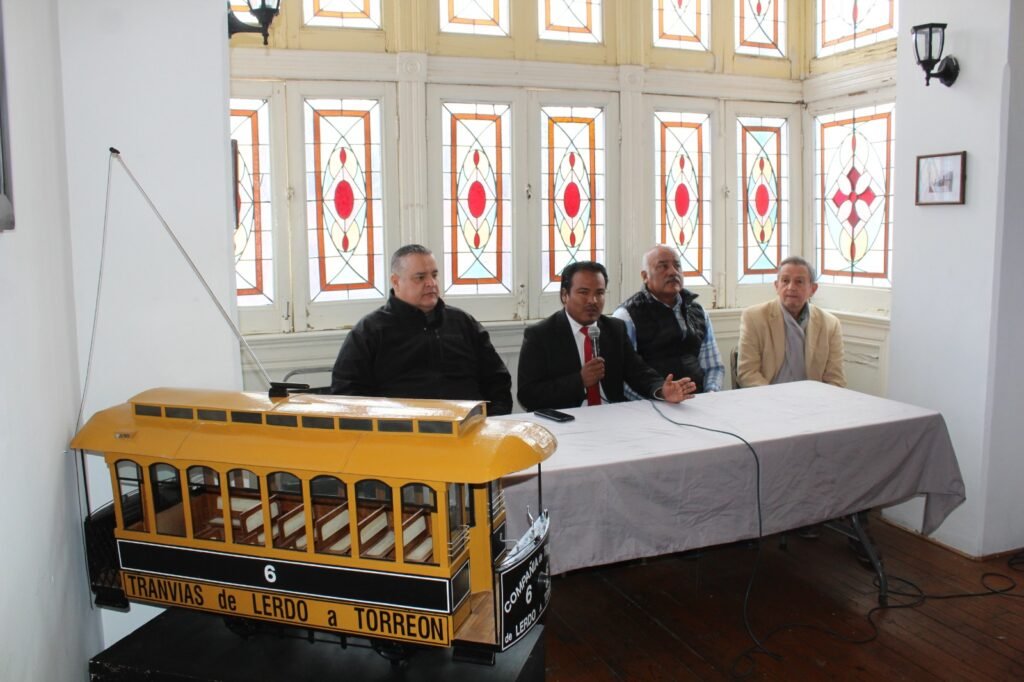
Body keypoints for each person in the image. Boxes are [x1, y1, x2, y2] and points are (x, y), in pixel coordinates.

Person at [330, 244, 513, 415]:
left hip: (471, 427)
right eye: (420, 277)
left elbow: (497, 381)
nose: (431, 283)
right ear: (396, 282)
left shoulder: (463, 323)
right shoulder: (369, 332)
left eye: (434, 275)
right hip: (401, 431)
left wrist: (492, 419)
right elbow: (347, 394)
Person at [517, 260, 697, 412]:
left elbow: (639, 373)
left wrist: (662, 390)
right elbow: (527, 395)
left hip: (611, 416)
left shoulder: (614, 329)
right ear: (565, 295)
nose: (592, 301)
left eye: (599, 293)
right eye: (583, 292)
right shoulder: (540, 335)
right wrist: (579, 381)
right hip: (566, 419)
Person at [612, 245, 724, 394]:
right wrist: (660, 398)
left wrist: (710, 395)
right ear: (645, 276)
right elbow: (623, 378)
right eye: (662, 266)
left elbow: (714, 367)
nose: (673, 272)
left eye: (677, 265)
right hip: (651, 401)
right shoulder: (626, 316)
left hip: (699, 400)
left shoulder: (697, 311)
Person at [737, 255, 846, 388]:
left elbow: (835, 379)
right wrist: (777, 397)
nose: (791, 287)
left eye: (799, 282)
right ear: (776, 286)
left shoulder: (830, 325)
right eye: (785, 281)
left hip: (814, 397)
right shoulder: (754, 317)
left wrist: (818, 399)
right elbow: (747, 373)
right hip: (768, 395)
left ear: (813, 289)